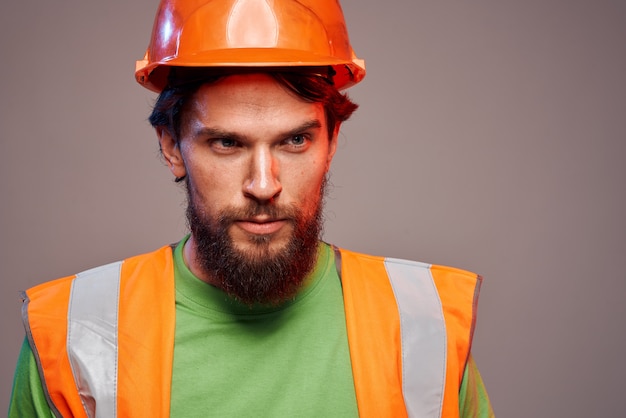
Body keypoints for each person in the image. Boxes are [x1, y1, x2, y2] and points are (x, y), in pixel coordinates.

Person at [9, 0, 494, 416]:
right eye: (226, 143)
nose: (263, 185)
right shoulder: (71, 334)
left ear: (332, 141)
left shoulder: (426, 324)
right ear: (172, 146)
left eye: (295, 140)